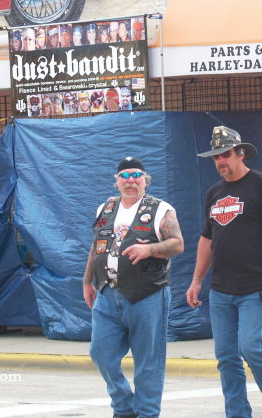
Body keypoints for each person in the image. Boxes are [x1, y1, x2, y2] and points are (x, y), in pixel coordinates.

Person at [186, 126, 262, 418]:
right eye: (216, 157)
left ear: (240, 153)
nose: (221, 161)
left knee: (250, 346)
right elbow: (207, 239)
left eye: (226, 154)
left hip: (255, 287)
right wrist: (197, 280)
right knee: (226, 357)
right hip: (221, 289)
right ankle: (237, 413)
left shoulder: (261, 184)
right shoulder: (214, 193)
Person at [83, 157, 184, 418]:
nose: (131, 180)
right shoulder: (105, 209)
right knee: (100, 353)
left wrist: (149, 248)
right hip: (107, 294)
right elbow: (96, 247)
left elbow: (177, 244)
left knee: (148, 361)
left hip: (147, 294)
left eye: (136, 175)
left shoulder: (161, 209)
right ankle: (124, 406)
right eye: (125, 176)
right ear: (117, 181)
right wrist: (87, 282)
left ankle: (147, 413)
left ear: (145, 179)